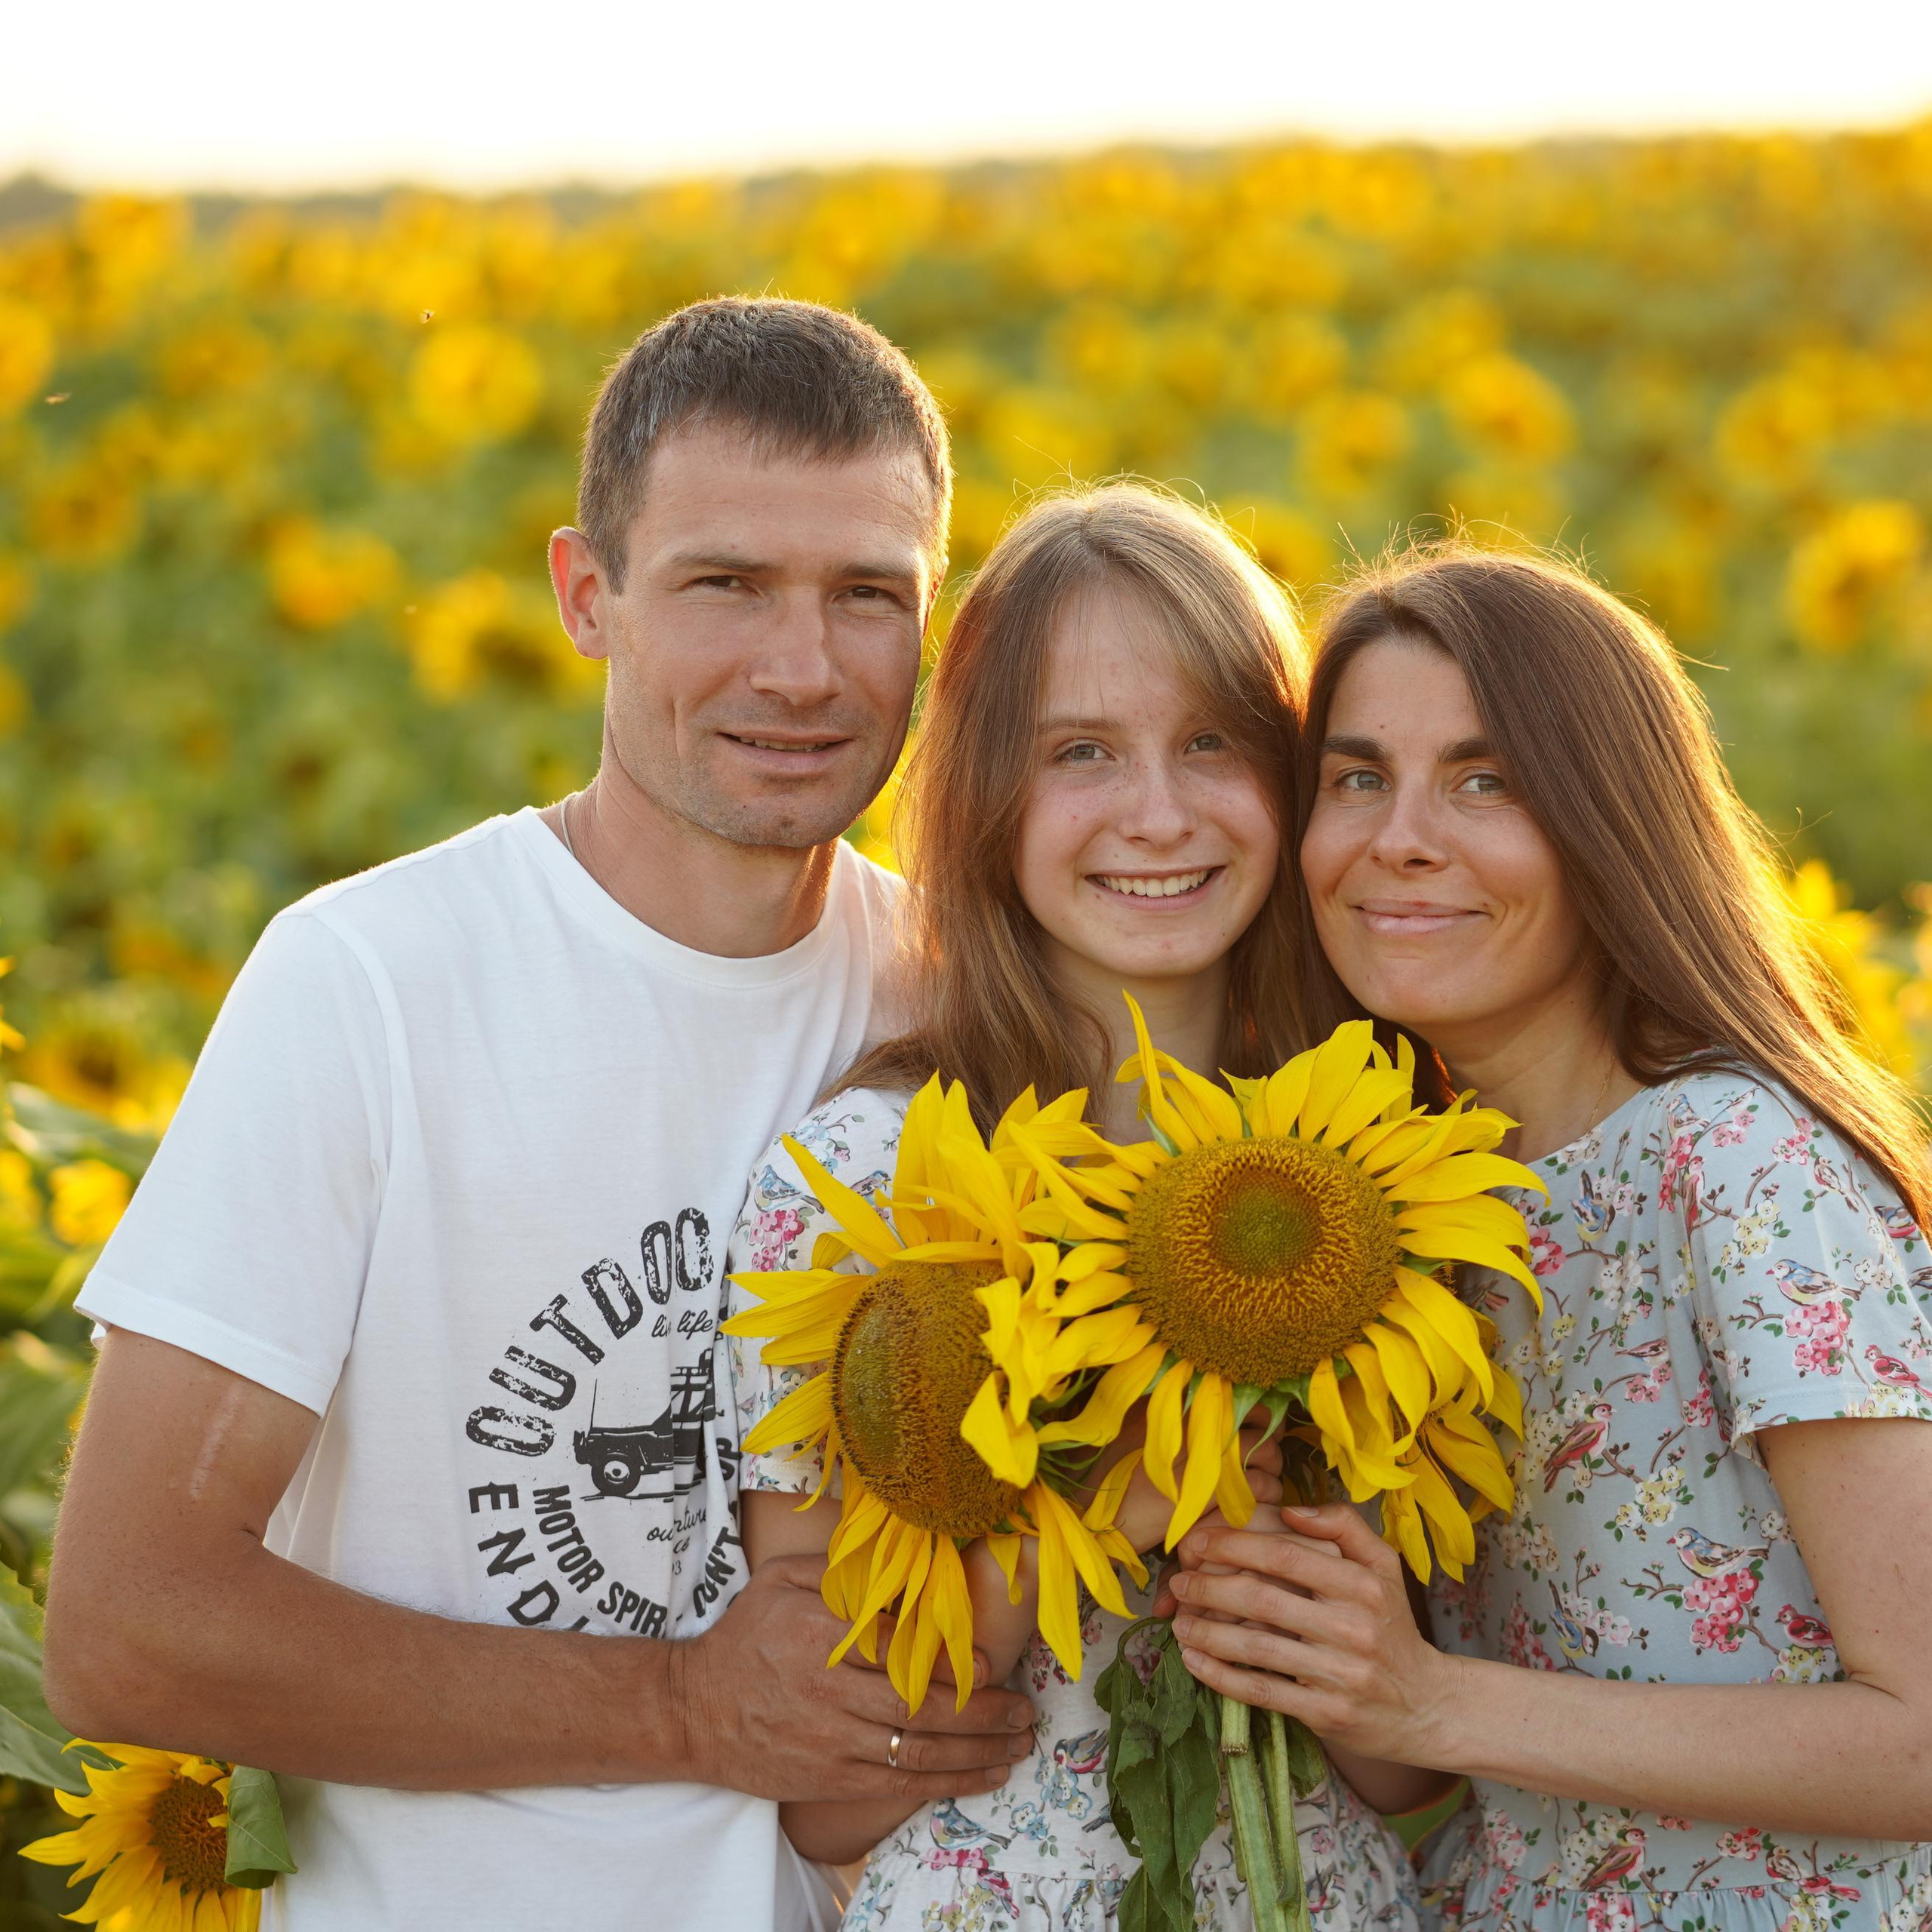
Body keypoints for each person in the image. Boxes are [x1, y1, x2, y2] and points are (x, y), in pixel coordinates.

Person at [42, 297, 1043, 1932]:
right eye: (724, 582)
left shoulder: (958, 1005)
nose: (801, 667)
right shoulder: (369, 983)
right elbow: (128, 1620)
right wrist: (681, 1705)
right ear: (587, 595)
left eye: (866, 594)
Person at [1165, 545, 1932, 1932]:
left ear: (1608, 823)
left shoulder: (1739, 1168)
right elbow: (1408, 1770)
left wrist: (1433, 1697)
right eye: (1354, 778)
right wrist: (1296, 1599)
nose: (1399, 837)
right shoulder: (1403, 1211)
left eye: (1486, 781)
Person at [727, 485, 1426, 1930]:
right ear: (991, 798)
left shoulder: (1380, 1165)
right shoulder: (870, 1189)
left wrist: (1333, 1631)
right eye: (1081, 753)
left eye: (1211, 745)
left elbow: (1412, 1776)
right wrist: (1113, 1500)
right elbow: (829, 1788)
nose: (1156, 815)